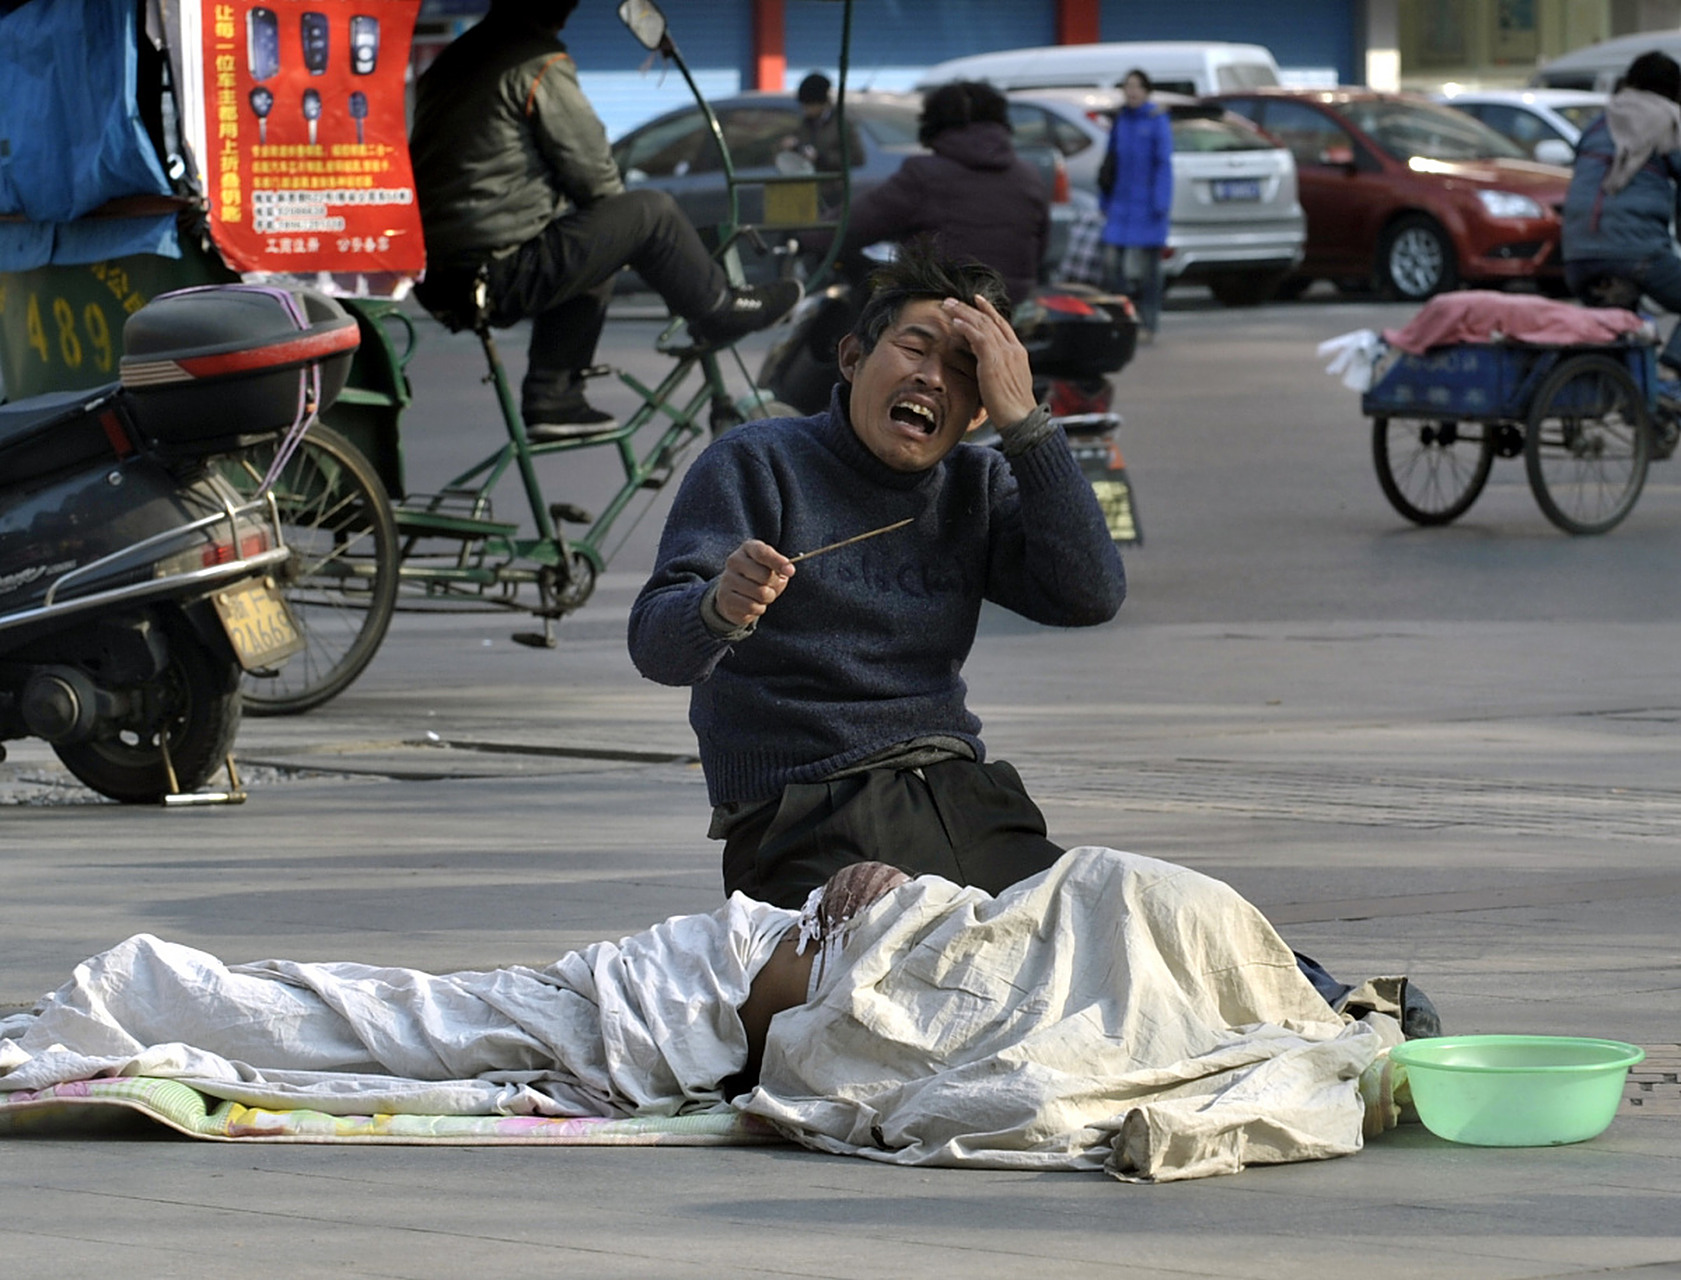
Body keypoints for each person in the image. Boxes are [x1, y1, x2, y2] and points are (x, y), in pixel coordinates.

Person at [0, 849, 1428, 1179]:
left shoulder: (1222, 1020)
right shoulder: (1178, 924)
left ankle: (137, 998)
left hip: (719, 998)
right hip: (695, 984)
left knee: (411, 1024)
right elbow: (1045, 935)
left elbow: (999, 1087)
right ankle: (127, 995)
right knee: (406, 1024)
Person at [627, 244, 1125, 910]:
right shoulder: (758, 461)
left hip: (966, 800)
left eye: (962, 368)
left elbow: (1090, 595)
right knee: (902, 966)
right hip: (804, 816)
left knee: (1116, 930)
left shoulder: (978, 483)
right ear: (853, 357)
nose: (932, 378)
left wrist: (1026, 424)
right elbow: (658, 649)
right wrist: (719, 606)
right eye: (915, 350)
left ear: (978, 410)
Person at [407, 0, 800, 438]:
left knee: (595, 238)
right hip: (494, 269)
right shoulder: (536, 62)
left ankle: (554, 396)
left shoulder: (458, 58)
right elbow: (595, 176)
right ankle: (720, 307)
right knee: (649, 212)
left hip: (442, 271)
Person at [839, 79, 1049, 308]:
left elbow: (852, 225)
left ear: (932, 122)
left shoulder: (923, 175)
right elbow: (1040, 250)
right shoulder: (1029, 174)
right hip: (1011, 309)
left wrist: (804, 233)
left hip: (941, 314)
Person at [1562, 50, 1681, 402]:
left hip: (1576, 254)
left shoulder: (1599, 123)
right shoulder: (1669, 120)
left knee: (1617, 332)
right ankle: (1670, 374)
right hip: (1635, 253)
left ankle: (1634, 409)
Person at [1098, 69, 1173, 341]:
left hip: (1148, 205)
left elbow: (1163, 164)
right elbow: (1110, 164)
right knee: (1112, 265)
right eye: (1127, 86)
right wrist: (1104, 199)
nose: (1131, 92)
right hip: (1120, 204)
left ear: (1146, 90)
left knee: (1150, 269)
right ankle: (1124, 320)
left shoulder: (1156, 120)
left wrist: (1161, 201)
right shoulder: (1121, 120)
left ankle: (1149, 322)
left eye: (1136, 86)